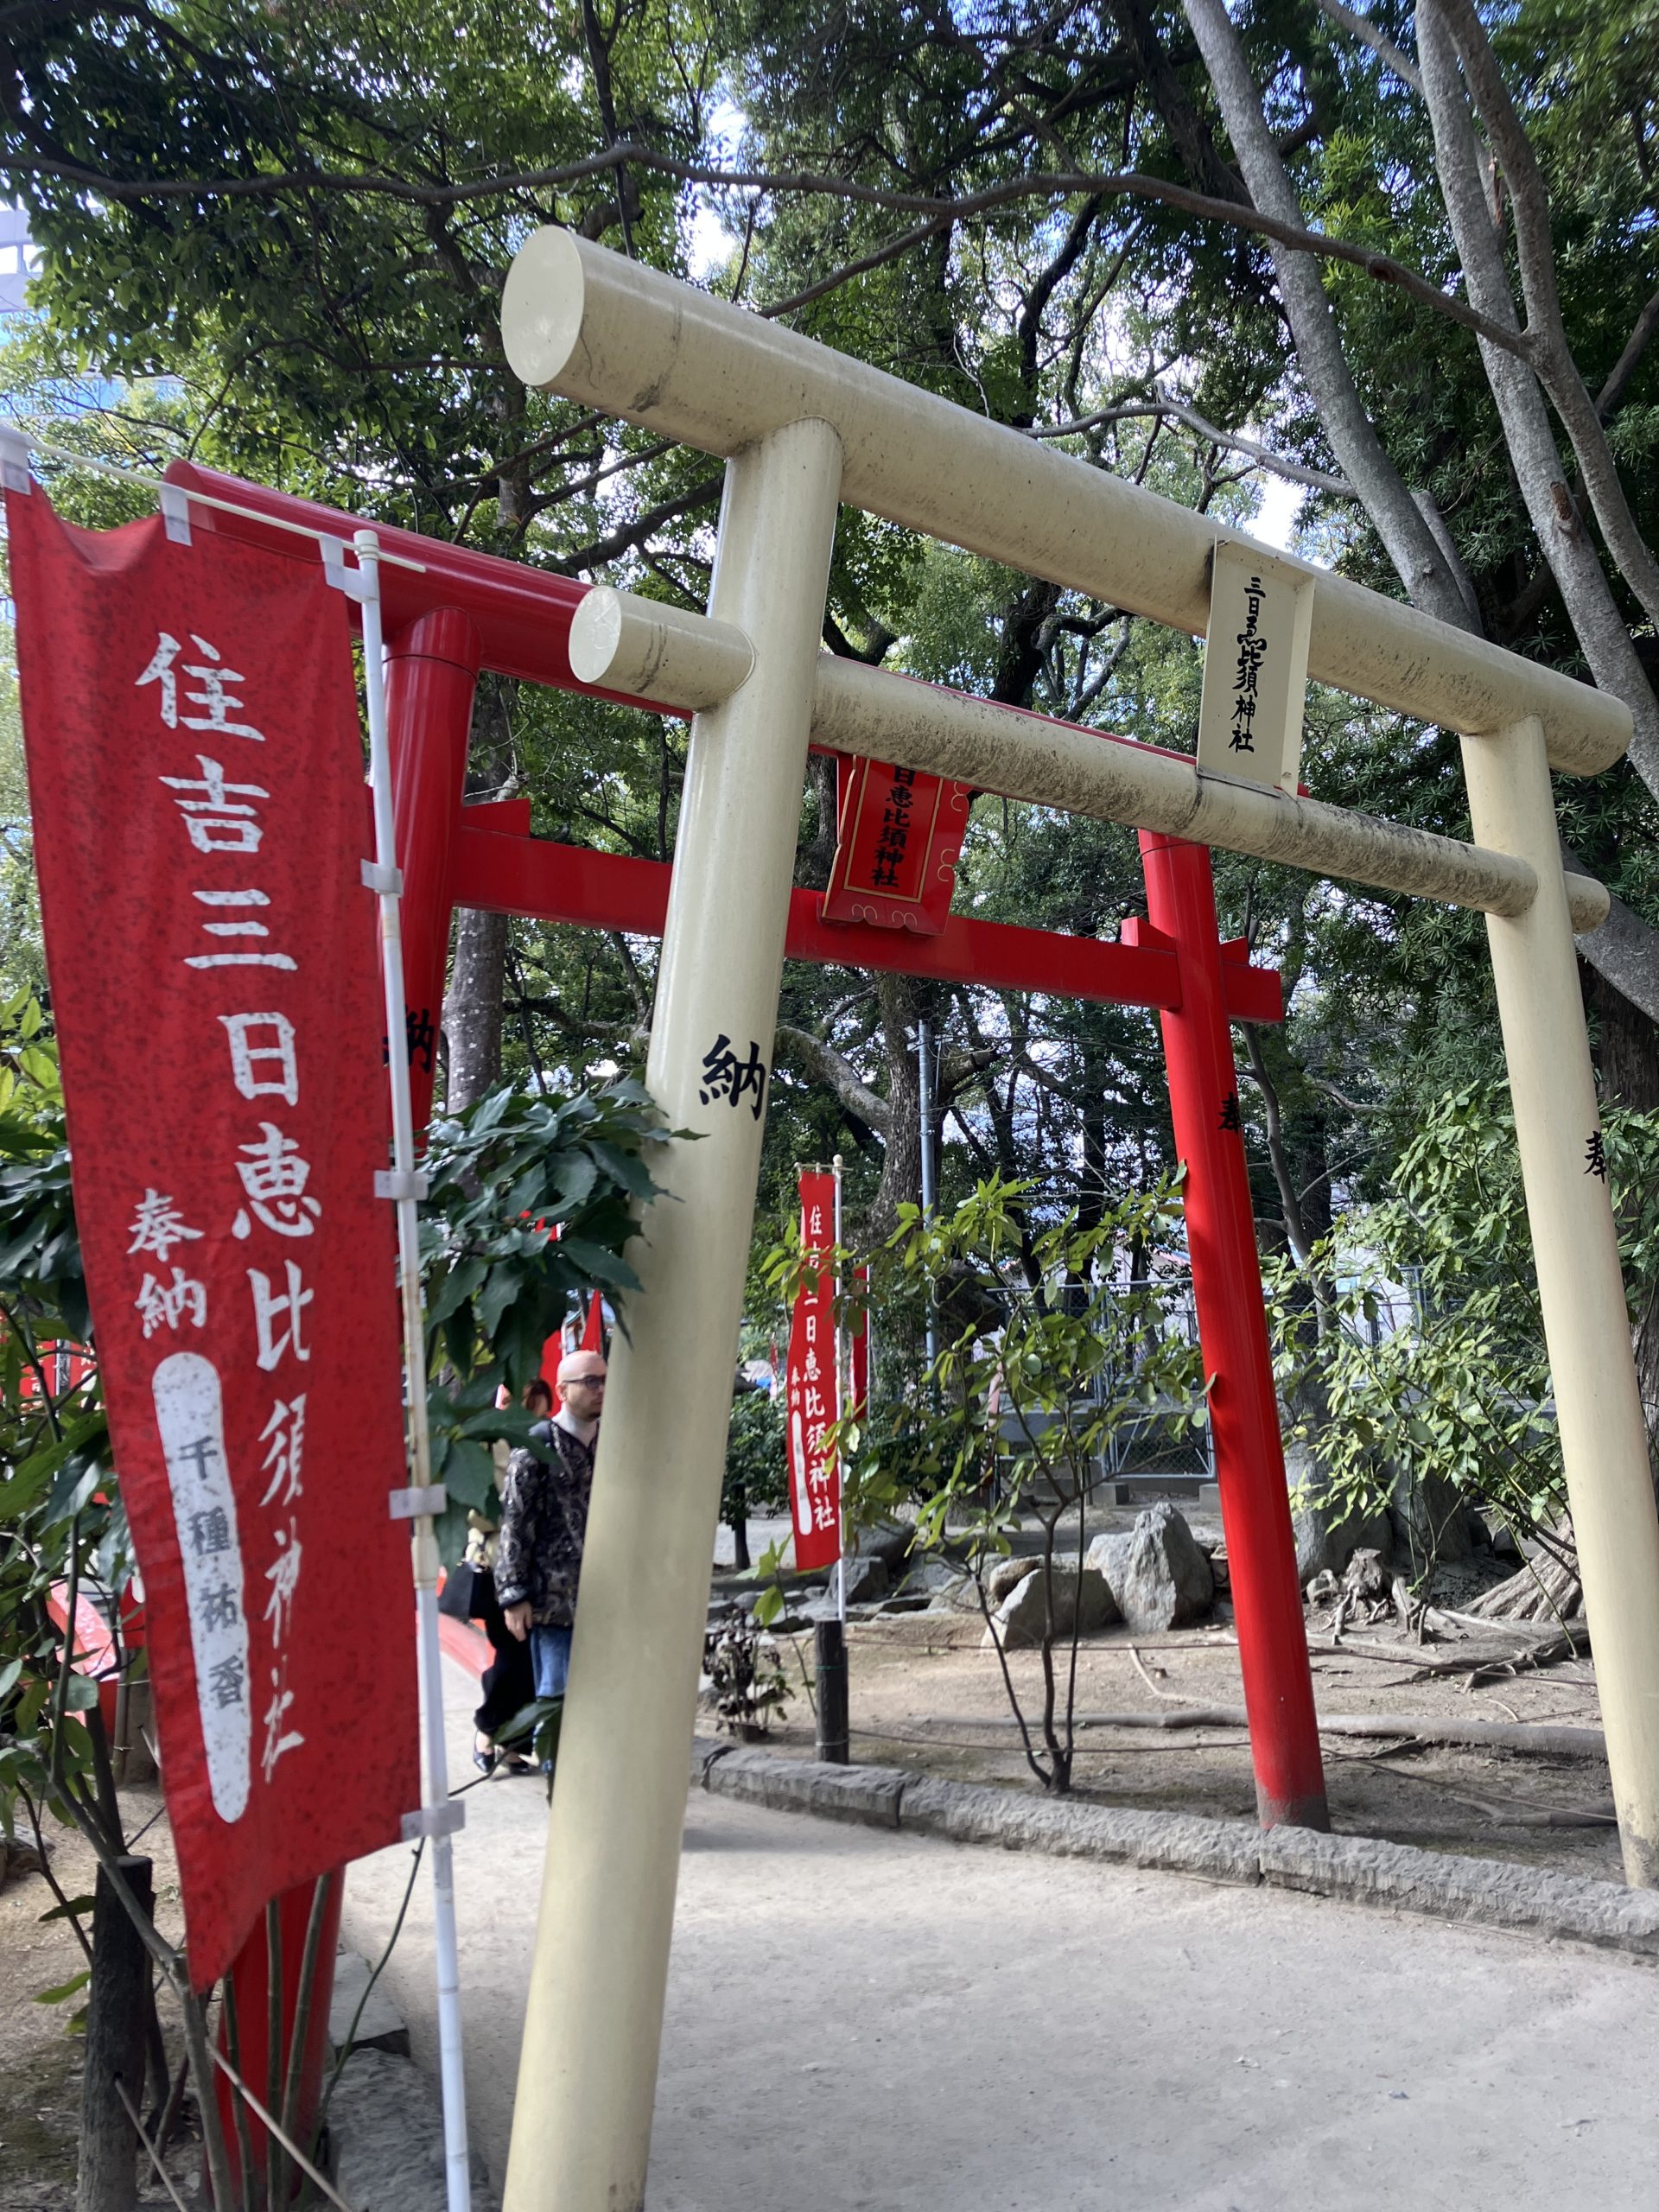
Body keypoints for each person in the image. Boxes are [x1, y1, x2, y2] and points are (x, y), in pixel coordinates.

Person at [496, 1347, 606, 1703]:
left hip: (608, 1599)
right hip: (555, 1604)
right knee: (556, 1704)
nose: (601, 1389)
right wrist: (514, 1594)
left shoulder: (613, 1443)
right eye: (590, 1381)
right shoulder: (537, 1446)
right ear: (562, 1391)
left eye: (605, 1380)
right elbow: (515, 1522)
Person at [467, 1376, 551, 1773]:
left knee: (526, 1660)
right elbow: (475, 1512)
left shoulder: (545, 1443)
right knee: (513, 1657)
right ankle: (487, 1732)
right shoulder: (489, 1444)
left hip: (538, 1570)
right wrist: (513, 1510)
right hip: (496, 1566)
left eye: (540, 1413)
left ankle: (511, 1743)